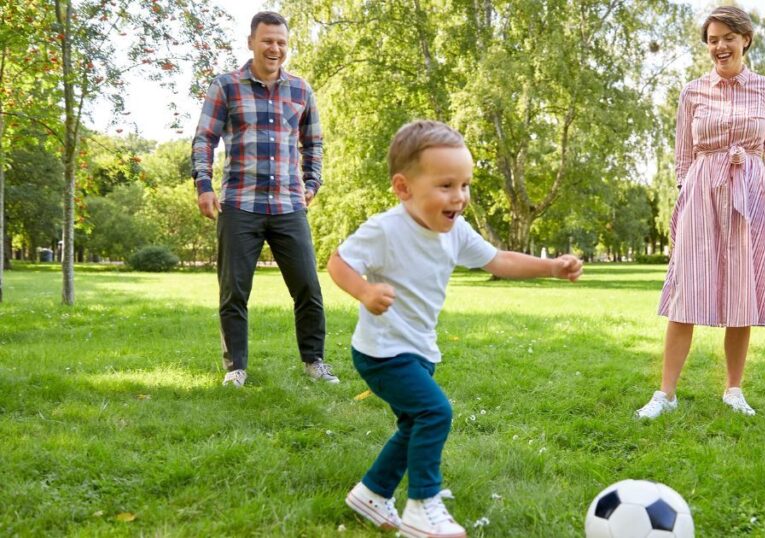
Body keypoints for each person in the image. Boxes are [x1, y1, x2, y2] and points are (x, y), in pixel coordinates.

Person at [328, 120, 583, 537]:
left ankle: (372, 493)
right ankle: (422, 505)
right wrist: (365, 291)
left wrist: (551, 267)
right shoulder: (385, 229)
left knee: (415, 422)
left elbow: (498, 259)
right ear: (403, 187)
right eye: (446, 185)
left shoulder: (455, 231)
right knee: (434, 412)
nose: (460, 197)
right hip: (382, 351)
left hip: (418, 349)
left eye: (464, 185)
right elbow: (338, 261)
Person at [635, 6, 765, 419]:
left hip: (749, 194)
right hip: (702, 194)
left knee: (742, 292)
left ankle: (733, 390)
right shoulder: (692, 92)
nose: (720, 47)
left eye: (727, 37)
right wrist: (688, 203)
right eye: (712, 40)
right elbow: (682, 158)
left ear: (745, 39)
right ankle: (666, 394)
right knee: (685, 294)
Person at [191, 11, 337, 387]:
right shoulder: (225, 86)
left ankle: (314, 361)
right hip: (240, 204)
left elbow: (314, 142)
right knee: (234, 291)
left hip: (289, 205)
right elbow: (205, 138)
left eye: (281, 42)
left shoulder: (301, 90)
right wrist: (204, 184)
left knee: (308, 287)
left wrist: (312, 182)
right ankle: (235, 368)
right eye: (268, 40)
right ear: (251, 42)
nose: (275, 48)